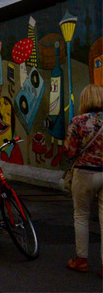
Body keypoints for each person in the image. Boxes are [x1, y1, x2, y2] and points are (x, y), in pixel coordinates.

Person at [64, 84, 103, 276]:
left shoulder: (78, 121)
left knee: (81, 216)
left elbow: (69, 152)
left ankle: (81, 260)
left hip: (84, 173)